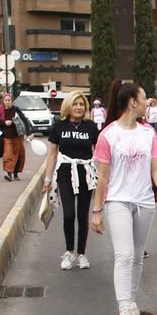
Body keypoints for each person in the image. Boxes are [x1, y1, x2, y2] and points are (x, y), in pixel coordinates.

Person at [90, 82, 157, 315]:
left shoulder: (148, 133)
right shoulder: (108, 135)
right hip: (118, 201)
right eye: (144, 98)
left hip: (144, 201)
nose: (147, 103)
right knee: (124, 255)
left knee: (136, 256)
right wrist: (97, 211)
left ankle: (131, 301)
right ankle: (124, 307)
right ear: (133, 102)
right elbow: (103, 177)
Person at [36, 90, 101, 271]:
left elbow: (99, 152)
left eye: (81, 104)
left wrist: (103, 176)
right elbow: (52, 154)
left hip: (85, 173)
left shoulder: (90, 127)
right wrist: (47, 179)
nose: (79, 107)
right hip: (65, 173)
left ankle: (81, 254)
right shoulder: (60, 126)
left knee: (82, 215)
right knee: (69, 214)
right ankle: (69, 251)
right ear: (68, 106)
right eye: (75, 104)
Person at [0, 91, 27, 180]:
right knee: (8, 154)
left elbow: (24, 120)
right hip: (7, 136)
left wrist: (28, 133)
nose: (7, 102)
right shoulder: (0, 111)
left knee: (18, 155)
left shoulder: (16, 109)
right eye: (6, 100)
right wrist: (5, 123)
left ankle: (16, 174)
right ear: (3, 101)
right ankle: (9, 174)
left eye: (9, 100)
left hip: (18, 135)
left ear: (11, 101)